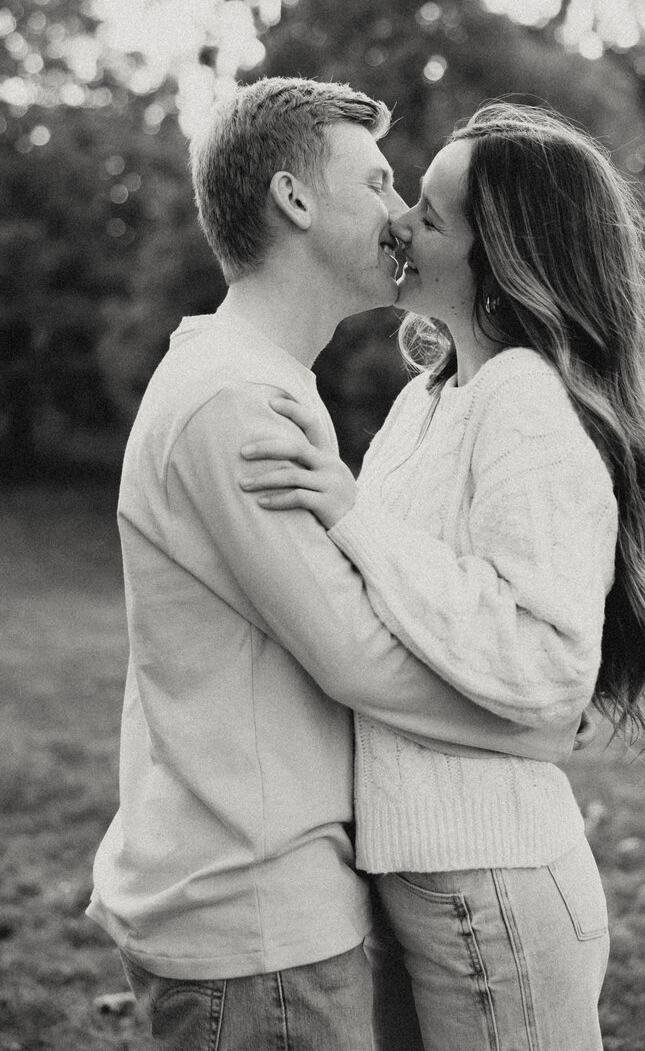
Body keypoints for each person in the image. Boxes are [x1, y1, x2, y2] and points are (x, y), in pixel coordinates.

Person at [87, 79, 592, 1051]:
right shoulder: (232, 399)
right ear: (295, 200)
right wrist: (525, 725)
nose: (403, 215)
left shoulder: (263, 381)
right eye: (378, 181)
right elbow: (354, 656)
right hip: (254, 913)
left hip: (266, 896)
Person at [239, 102, 645, 1051]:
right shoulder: (430, 398)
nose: (398, 221)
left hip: (493, 886)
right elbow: (381, 604)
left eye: (432, 216)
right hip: (416, 879)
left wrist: (350, 514)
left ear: (504, 260)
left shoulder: (525, 399)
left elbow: (546, 657)